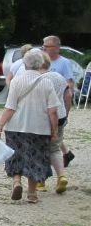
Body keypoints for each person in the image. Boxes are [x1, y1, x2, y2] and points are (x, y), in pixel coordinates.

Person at [0, 49, 59, 203]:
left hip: (16, 126)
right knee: (36, 158)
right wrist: (54, 130)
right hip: (39, 128)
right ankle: (32, 194)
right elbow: (53, 111)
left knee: (15, 155)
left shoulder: (16, 81)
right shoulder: (47, 82)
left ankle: (16, 182)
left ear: (24, 63)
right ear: (41, 64)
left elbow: (10, 107)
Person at [41, 35, 76, 169]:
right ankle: (66, 153)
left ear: (56, 48)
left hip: (57, 105)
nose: (43, 48)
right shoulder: (43, 60)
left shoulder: (64, 62)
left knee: (53, 133)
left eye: (47, 46)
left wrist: (67, 104)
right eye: (43, 45)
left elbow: (69, 83)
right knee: (53, 133)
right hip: (44, 104)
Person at [38, 54, 70, 194]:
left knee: (40, 149)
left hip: (44, 117)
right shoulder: (59, 77)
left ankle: (41, 181)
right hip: (61, 115)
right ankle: (61, 176)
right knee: (55, 148)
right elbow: (68, 96)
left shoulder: (38, 79)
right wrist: (66, 114)